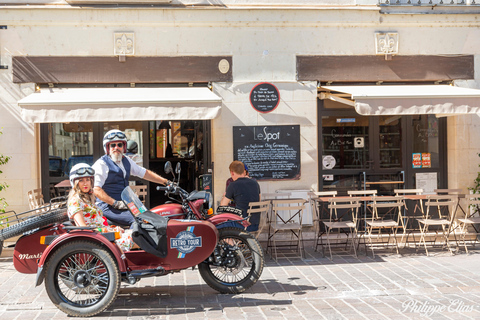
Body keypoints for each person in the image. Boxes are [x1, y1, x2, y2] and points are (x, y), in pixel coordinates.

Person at [93, 129, 170, 226]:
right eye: (113, 145)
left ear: (124, 147)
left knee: (150, 216)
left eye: (119, 145)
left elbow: (144, 173)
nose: (116, 148)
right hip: (107, 207)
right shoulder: (102, 164)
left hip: (125, 204)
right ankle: (131, 241)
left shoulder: (126, 161)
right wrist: (115, 203)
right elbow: (96, 189)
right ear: (107, 147)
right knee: (139, 221)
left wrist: (166, 182)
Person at [67, 163, 134, 252]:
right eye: (81, 180)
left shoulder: (88, 200)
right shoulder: (75, 201)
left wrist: (113, 229)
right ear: (75, 182)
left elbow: (99, 223)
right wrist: (108, 231)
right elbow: (83, 229)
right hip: (98, 241)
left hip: (104, 237)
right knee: (137, 238)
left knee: (139, 233)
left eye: (88, 179)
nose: (85, 183)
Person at [220, 161, 261, 231]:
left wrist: (225, 196)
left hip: (241, 224)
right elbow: (259, 200)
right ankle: (239, 241)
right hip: (255, 224)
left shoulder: (233, 185)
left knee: (219, 226)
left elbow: (222, 206)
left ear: (232, 172)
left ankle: (231, 242)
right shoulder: (255, 183)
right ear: (244, 171)